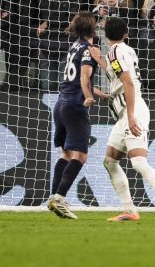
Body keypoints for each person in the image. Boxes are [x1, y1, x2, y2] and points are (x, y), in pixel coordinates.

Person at [100, 16, 155, 222]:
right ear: (126, 34)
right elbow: (119, 75)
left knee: (138, 162)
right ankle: (130, 210)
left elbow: (128, 83)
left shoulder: (114, 52)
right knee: (110, 161)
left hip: (132, 110)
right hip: (126, 112)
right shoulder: (127, 50)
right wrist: (100, 61)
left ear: (105, 34)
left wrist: (130, 116)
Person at [48, 12, 107, 219]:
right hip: (75, 106)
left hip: (61, 104)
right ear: (92, 29)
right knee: (80, 156)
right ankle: (59, 198)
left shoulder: (75, 45)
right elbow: (84, 77)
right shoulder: (90, 49)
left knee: (66, 154)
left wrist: (98, 93)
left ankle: (54, 196)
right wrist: (89, 96)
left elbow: (77, 79)